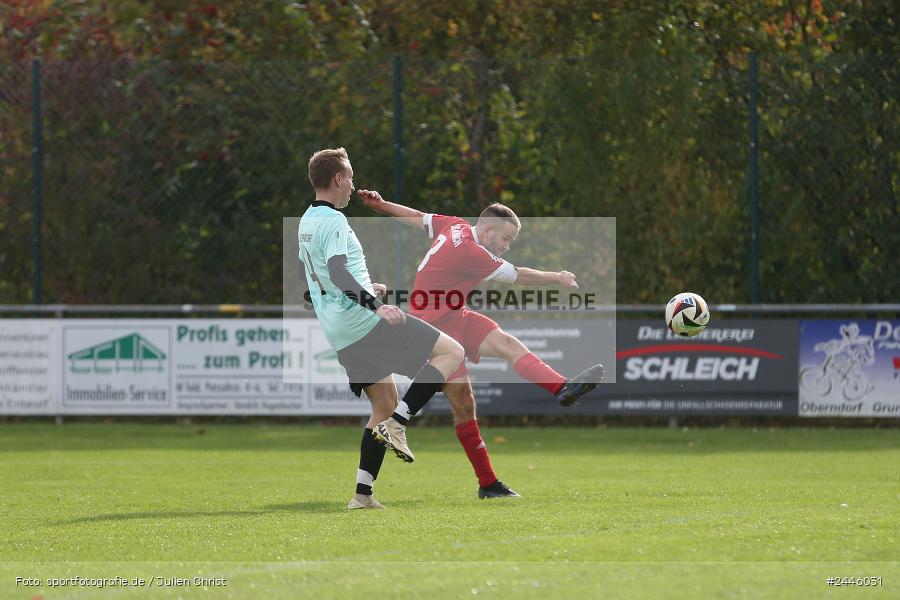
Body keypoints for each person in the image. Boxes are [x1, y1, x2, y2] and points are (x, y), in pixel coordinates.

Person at [359, 190, 605, 499]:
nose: (507, 246)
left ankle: (561, 388)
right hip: (432, 328)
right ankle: (486, 481)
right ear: (488, 231)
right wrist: (557, 277)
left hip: (455, 315)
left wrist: (382, 206)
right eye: (506, 239)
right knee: (464, 403)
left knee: (505, 344)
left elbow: (416, 218)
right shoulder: (473, 252)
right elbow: (519, 276)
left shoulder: (454, 225)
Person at [299, 148, 464, 510]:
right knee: (452, 352)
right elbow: (339, 271)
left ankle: (362, 495)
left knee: (384, 403)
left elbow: (321, 280)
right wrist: (377, 305)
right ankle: (400, 425)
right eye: (351, 177)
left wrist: (366, 288)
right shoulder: (335, 221)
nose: (353, 185)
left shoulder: (306, 222)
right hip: (365, 323)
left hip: (342, 332)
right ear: (338, 179)